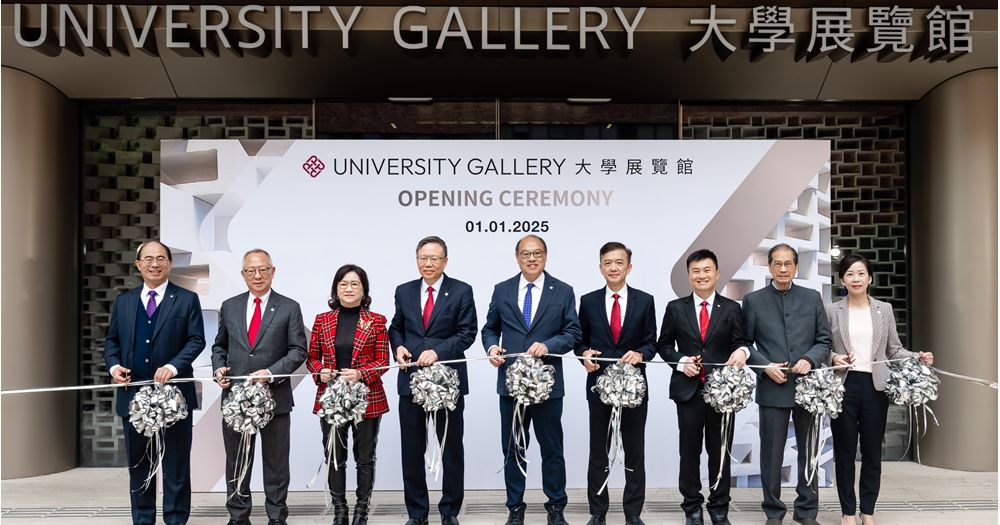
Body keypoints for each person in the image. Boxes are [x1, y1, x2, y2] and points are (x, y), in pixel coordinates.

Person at [826, 254, 933, 525]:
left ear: (870, 278)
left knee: (872, 452)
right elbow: (823, 347)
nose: (856, 279)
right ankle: (848, 512)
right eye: (850, 274)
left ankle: (868, 511)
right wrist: (834, 357)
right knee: (844, 452)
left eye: (861, 273)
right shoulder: (832, 310)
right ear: (842, 280)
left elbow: (894, 349)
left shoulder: (883, 309)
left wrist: (917, 357)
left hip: (875, 387)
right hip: (843, 386)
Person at [482, 235, 582, 525]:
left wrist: (549, 345)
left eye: (537, 253)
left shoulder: (563, 291)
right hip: (511, 385)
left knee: (552, 449)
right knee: (513, 448)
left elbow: (573, 333)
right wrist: (492, 347)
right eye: (525, 253)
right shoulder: (502, 289)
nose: (531, 258)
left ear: (546, 256)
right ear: (517, 257)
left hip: (548, 386)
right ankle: (515, 508)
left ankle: (556, 507)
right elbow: (490, 328)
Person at [104, 240, 205, 525]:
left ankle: (176, 519)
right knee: (139, 465)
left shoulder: (187, 299)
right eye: (148, 259)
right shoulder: (124, 301)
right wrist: (114, 367)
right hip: (133, 397)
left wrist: (173, 366)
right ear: (138, 264)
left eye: (161, 258)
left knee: (176, 464)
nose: (154, 264)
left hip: (175, 397)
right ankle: (143, 519)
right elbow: (112, 341)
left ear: (170, 264)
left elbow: (196, 339)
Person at [211, 249, 308, 525]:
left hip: (275, 399)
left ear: (273, 272)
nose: (257, 275)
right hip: (236, 401)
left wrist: (271, 373)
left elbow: (298, 350)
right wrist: (219, 368)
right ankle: (238, 517)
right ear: (243, 274)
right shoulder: (229, 306)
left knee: (276, 464)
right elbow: (219, 346)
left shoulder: (289, 307)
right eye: (251, 270)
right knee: (237, 461)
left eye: (263, 269)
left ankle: (277, 517)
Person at [657, 249, 750, 525]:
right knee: (689, 452)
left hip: (722, 393)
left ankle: (719, 507)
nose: (701, 275)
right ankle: (692, 507)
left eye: (707, 270)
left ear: (717, 273)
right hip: (688, 392)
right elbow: (663, 345)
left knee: (720, 452)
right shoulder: (676, 308)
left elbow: (741, 342)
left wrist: (742, 352)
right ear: (689, 275)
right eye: (696, 271)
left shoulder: (731, 308)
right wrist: (681, 362)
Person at [389, 236, 478, 525]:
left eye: (434, 258)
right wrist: (398, 347)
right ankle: (417, 513)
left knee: (451, 448)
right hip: (411, 381)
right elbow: (396, 328)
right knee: (412, 450)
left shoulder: (462, 291)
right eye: (423, 258)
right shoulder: (404, 291)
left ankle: (450, 511)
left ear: (445, 261)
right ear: (417, 260)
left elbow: (467, 333)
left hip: (447, 384)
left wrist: (437, 352)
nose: (428, 263)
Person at [743, 243, 832, 525]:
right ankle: (773, 511)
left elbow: (824, 340)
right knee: (771, 454)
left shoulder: (811, 298)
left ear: (796, 266)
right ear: (769, 266)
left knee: (809, 451)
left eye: (788, 263)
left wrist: (809, 359)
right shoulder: (753, 300)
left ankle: (806, 510)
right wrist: (764, 366)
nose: (783, 269)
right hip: (773, 386)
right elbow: (744, 344)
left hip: (808, 389)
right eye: (777, 263)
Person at [576, 242, 657, 525]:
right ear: (600, 268)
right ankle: (598, 512)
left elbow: (651, 342)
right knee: (599, 452)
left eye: (619, 262)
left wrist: (641, 354)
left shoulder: (645, 300)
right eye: (607, 263)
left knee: (634, 452)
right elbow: (579, 341)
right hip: (599, 388)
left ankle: (633, 514)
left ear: (629, 267)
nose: (613, 267)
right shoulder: (588, 301)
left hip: (634, 390)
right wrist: (583, 354)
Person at [306, 264, 390, 525]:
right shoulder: (322, 320)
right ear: (336, 289)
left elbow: (383, 361)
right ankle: (340, 510)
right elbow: (311, 358)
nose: (349, 289)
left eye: (355, 284)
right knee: (335, 457)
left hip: (367, 399)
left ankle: (361, 511)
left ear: (364, 290)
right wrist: (320, 371)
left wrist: (361, 373)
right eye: (343, 284)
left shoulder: (377, 321)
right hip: (331, 398)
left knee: (365, 458)